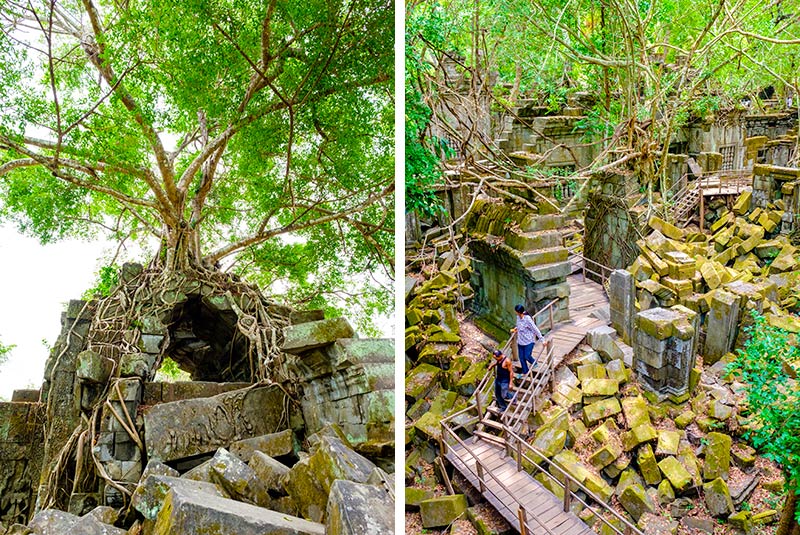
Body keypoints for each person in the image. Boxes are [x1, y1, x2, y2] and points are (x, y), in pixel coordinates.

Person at [510, 304, 544, 377]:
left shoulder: (527, 319)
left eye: (516, 311)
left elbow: (535, 329)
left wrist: (542, 340)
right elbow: (519, 325)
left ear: (518, 312)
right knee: (521, 358)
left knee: (527, 356)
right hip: (520, 341)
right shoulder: (518, 317)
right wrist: (516, 328)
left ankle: (534, 363)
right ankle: (525, 372)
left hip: (529, 341)